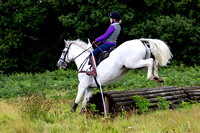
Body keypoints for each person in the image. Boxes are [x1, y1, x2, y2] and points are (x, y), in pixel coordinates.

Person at [86, 11, 121, 77]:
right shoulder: (118, 26)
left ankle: (94, 71)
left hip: (108, 44)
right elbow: (109, 36)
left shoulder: (112, 26)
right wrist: (101, 41)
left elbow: (105, 36)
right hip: (113, 44)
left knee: (92, 54)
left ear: (114, 19)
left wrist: (96, 40)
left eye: (110, 18)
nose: (109, 19)